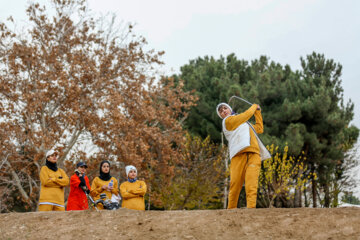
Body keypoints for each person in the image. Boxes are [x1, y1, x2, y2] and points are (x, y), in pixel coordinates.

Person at [217, 102, 270, 209]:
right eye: (221, 111)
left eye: (225, 108)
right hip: (238, 155)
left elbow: (259, 128)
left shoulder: (246, 124)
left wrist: (258, 112)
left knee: (252, 184)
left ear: (230, 109)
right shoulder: (227, 121)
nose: (223, 111)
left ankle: (251, 210)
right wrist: (254, 106)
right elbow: (245, 115)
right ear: (221, 116)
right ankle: (230, 210)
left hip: (254, 154)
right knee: (235, 185)